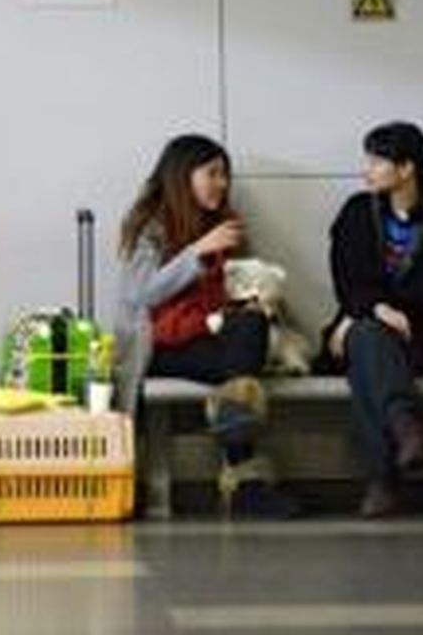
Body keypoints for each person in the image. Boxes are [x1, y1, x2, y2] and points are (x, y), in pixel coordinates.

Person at [115, 134, 297, 518]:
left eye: (224, 175)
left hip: (212, 337)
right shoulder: (151, 226)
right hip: (161, 345)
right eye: (212, 173)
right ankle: (245, 481)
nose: (222, 183)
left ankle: (235, 433)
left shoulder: (224, 225)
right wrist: (197, 251)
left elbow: (238, 284)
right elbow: (142, 294)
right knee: (239, 368)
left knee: (250, 328)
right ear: (183, 176)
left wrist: (258, 298)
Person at [320, 122, 423, 517]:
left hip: (419, 335)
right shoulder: (357, 212)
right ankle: (405, 424)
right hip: (363, 323)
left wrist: (375, 312)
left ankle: (382, 479)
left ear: (405, 169)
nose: (366, 169)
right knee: (371, 338)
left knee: (367, 357)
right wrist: (376, 308)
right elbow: (347, 279)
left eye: (377, 160)